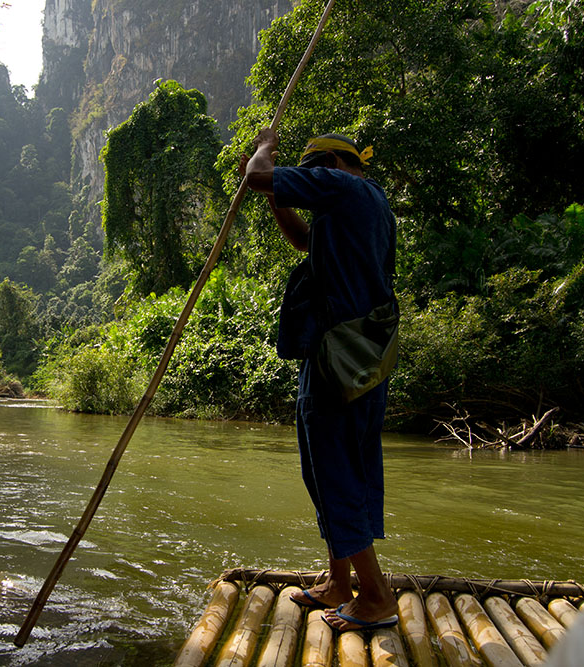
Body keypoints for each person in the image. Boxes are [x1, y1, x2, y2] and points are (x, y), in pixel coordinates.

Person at [242, 128, 399, 631]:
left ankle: (374, 596)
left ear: (332, 163)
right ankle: (339, 580)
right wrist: (277, 201)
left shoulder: (344, 188)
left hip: (338, 359)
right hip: (356, 358)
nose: (310, 183)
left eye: (312, 173)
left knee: (335, 473)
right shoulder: (365, 207)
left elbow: (258, 177)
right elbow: (305, 241)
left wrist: (265, 149)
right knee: (332, 467)